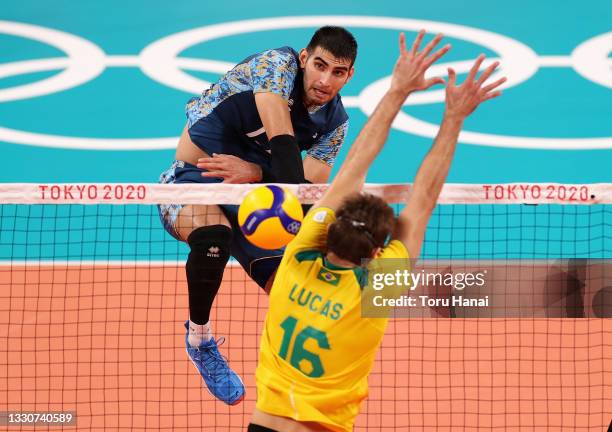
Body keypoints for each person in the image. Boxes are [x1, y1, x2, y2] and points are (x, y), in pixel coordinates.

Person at [249, 30, 506, 432]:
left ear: (327, 231)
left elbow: (355, 166)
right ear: (376, 253)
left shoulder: (297, 259)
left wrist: (398, 91)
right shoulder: (375, 288)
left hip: (262, 424)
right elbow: (423, 199)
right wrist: (453, 118)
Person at [157, 26, 358, 405]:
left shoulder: (336, 123)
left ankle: (289, 383)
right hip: (192, 181)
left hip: (262, 203)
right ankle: (199, 339)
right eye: (319, 65)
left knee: (295, 290)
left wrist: (254, 175)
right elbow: (284, 148)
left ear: (350, 76)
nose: (325, 79)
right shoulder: (274, 66)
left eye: (338, 72)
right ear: (303, 58)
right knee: (213, 239)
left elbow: (305, 190)